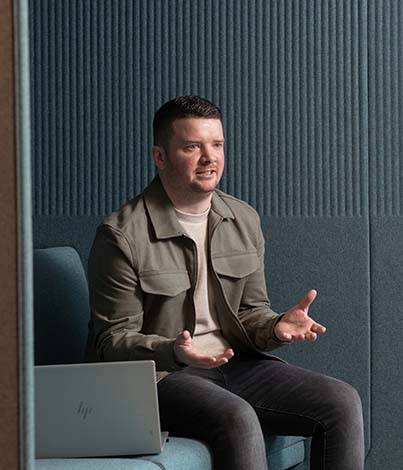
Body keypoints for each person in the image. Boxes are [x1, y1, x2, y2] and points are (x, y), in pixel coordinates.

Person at [86, 95, 364, 470]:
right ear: (160, 157)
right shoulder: (121, 234)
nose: (209, 158)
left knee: (341, 402)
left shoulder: (242, 218)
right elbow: (111, 343)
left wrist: (276, 327)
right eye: (192, 146)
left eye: (216, 145)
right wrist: (175, 351)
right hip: (164, 377)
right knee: (238, 417)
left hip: (235, 363)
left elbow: (250, 313)